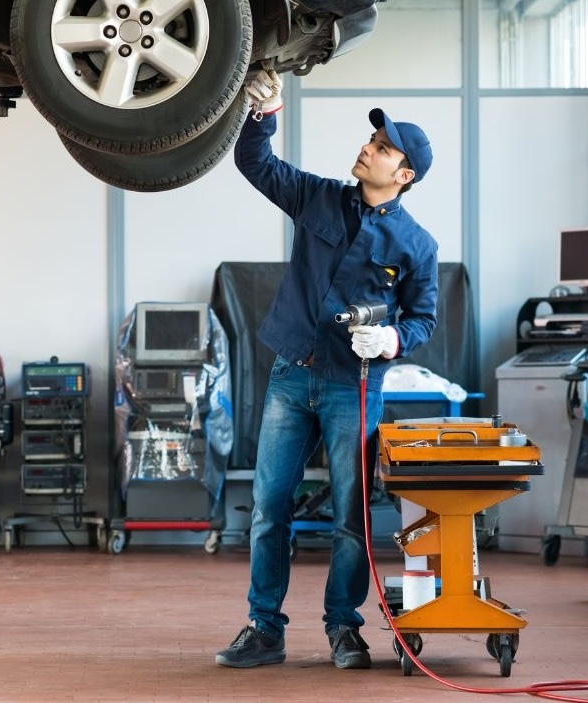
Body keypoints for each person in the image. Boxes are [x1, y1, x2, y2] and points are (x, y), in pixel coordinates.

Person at [215, 66, 439, 670]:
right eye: (372, 141)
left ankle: (344, 627)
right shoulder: (318, 196)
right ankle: (265, 628)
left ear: (404, 174)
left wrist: (392, 338)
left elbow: (424, 319)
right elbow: (255, 164)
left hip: (354, 389)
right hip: (291, 375)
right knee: (269, 508)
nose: (368, 149)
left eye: (383, 148)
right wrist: (265, 112)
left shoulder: (417, 246)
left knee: (350, 516)